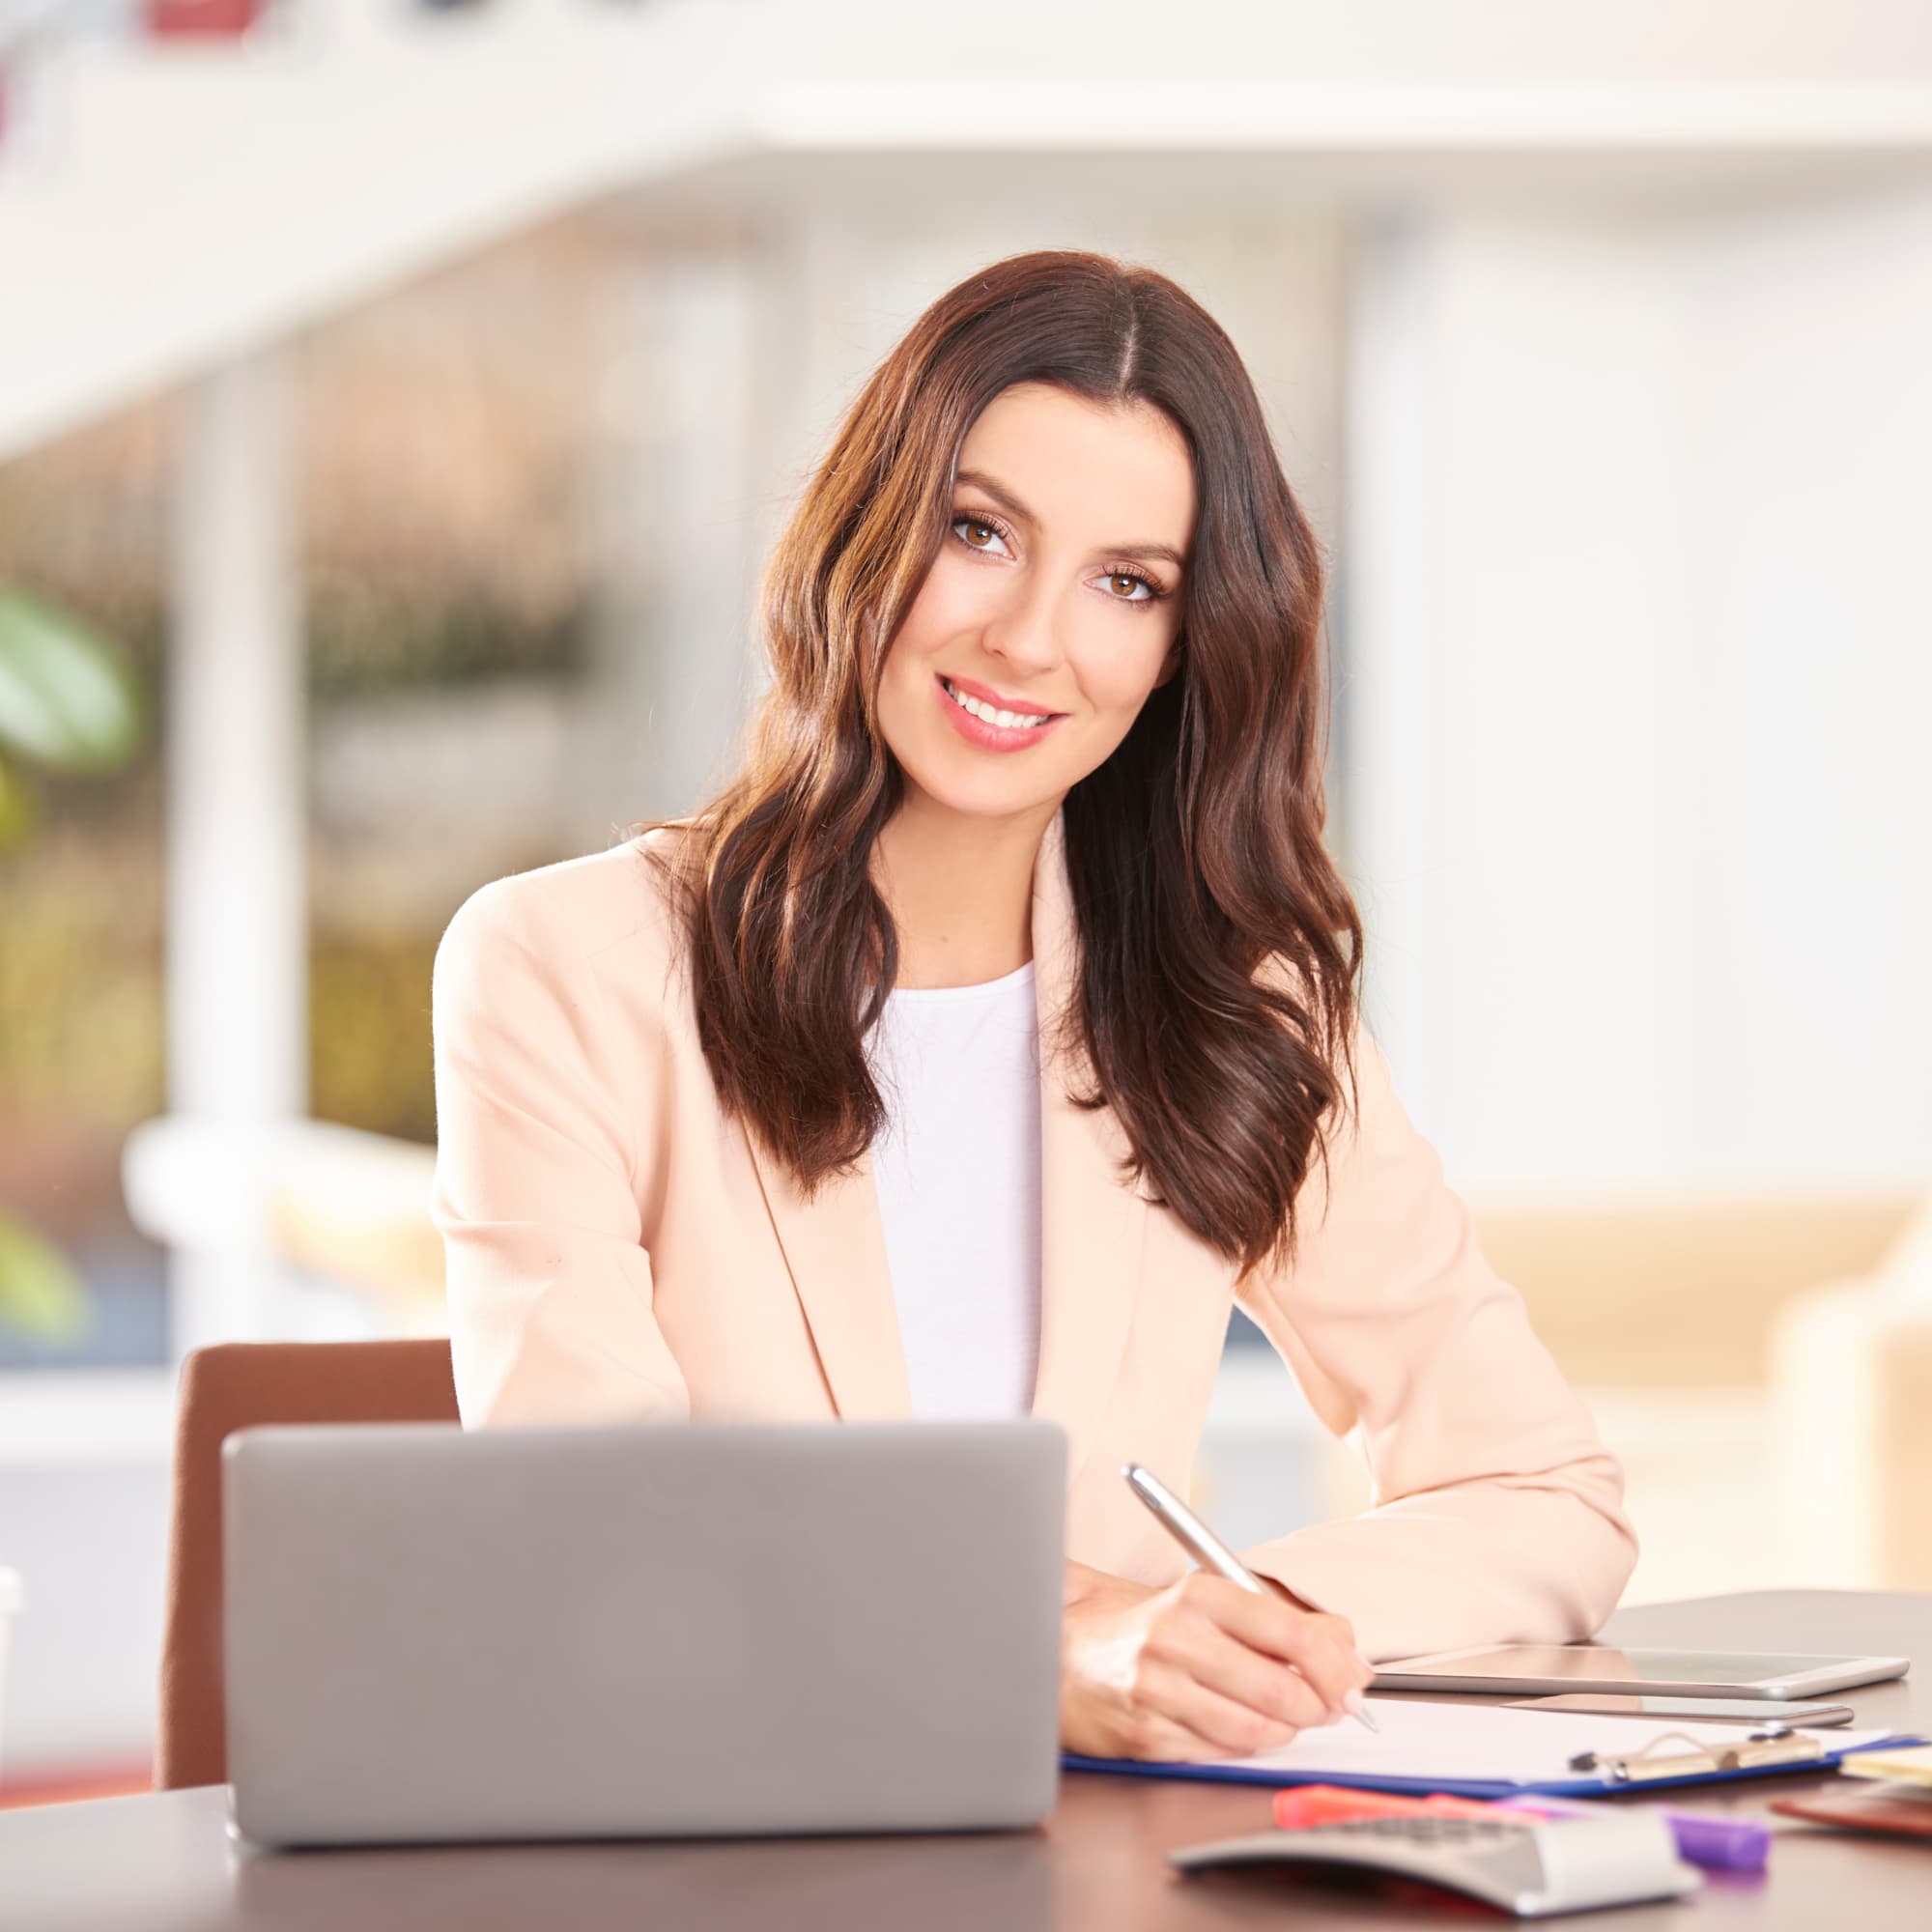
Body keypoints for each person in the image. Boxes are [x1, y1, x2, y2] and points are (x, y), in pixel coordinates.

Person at [429, 248, 1637, 1767]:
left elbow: (1545, 1497)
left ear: (1188, 649)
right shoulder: (564, 963)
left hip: (1101, 1848)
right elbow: (591, 1531)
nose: (1031, 640)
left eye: (1129, 583)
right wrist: (1043, 1631)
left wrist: (1220, 1635)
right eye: (980, 532)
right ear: (868, 531)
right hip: (717, 1822)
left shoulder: (1231, 1001)